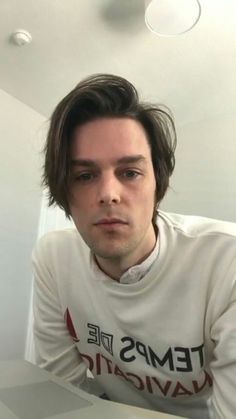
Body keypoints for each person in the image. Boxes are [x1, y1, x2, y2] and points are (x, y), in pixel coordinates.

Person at [32, 73, 236, 419]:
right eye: (84, 175)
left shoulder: (225, 262)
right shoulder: (54, 259)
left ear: (158, 182)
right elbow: (61, 394)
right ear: (63, 191)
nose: (108, 194)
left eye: (129, 172)